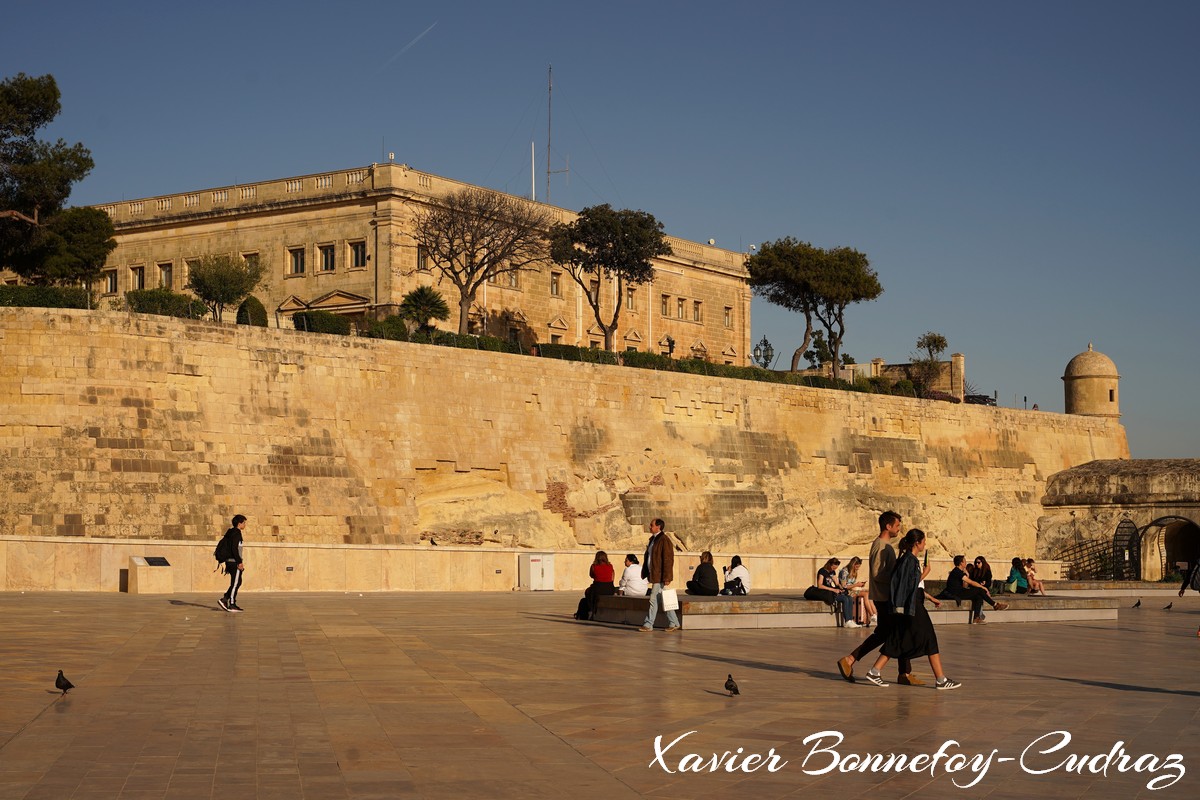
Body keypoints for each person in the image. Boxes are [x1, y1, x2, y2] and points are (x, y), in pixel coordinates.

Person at [862, 529, 961, 690]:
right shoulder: (910, 560)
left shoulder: (906, 559)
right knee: (929, 637)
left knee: (899, 639)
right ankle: (941, 680)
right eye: (923, 541)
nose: (925, 544)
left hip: (908, 605)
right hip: (912, 605)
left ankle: (875, 671)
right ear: (917, 543)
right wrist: (925, 572)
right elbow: (908, 585)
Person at [837, 511, 917, 684]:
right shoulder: (881, 545)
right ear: (888, 526)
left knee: (888, 633)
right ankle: (901, 672)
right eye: (897, 525)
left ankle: (904, 672)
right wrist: (898, 578)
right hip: (884, 597)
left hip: (886, 596)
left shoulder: (885, 545)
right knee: (896, 632)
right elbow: (877, 573)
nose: (899, 529)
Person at [639, 519, 680, 632]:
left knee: (653, 599)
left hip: (660, 576)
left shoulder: (664, 540)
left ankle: (648, 624)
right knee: (663, 599)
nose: (649, 527)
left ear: (658, 527)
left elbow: (668, 560)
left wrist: (667, 577)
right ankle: (674, 622)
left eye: (651, 525)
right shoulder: (653, 539)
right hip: (655, 574)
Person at [943, 555, 1008, 623]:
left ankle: (976, 618)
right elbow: (971, 582)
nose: (966, 563)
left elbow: (965, 585)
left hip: (959, 591)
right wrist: (983, 587)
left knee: (978, 596)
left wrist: (967, 575)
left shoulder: (959, 571)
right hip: (956, 593)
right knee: (979, 590)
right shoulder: (957, 571)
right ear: (961, 563)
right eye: (964, 561)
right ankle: (995, 605)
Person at [805, 558, 857, 627]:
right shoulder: (822, 571)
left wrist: (841, 588)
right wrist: (833, 590)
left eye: (835, 568)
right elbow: (820, 585)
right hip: (826, 593)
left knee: (849, 598)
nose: (834, 569)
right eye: (833, 567)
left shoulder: (832, 572)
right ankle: (847, 621)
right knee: (845, 599)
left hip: (832, 591)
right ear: (829, 564)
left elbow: (837, 583)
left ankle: (850, 620)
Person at [217, 514, 247, 612]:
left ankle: (225, 599)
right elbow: (234, 549)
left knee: (237, 582)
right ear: (239, 524)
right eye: (244, 523)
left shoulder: (231, 533)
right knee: (235, 583)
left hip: (230, 561)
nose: (245, 524)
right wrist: (239, 562)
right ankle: (232, 604)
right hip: (234, 562)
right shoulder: (236, 533)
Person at [839, 556, 876, 625]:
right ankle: (872, 614)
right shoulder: (844, 572)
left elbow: (852, 584)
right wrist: (856, 585)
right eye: (856, 567)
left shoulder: (854, 572)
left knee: (868, 593)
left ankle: (875, 614)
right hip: (846, 592)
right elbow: (844, 586)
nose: (857, 568)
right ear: (853, 565)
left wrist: (860, 585)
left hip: (852, 590)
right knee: (866, 594)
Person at [583, 551, 616, 618]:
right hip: (609, 589)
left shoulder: (593, 566)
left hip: (598, 588)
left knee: (588, 592)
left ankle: (591, 610)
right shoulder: (610, 566)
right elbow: (612, 576)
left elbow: (591, 575)